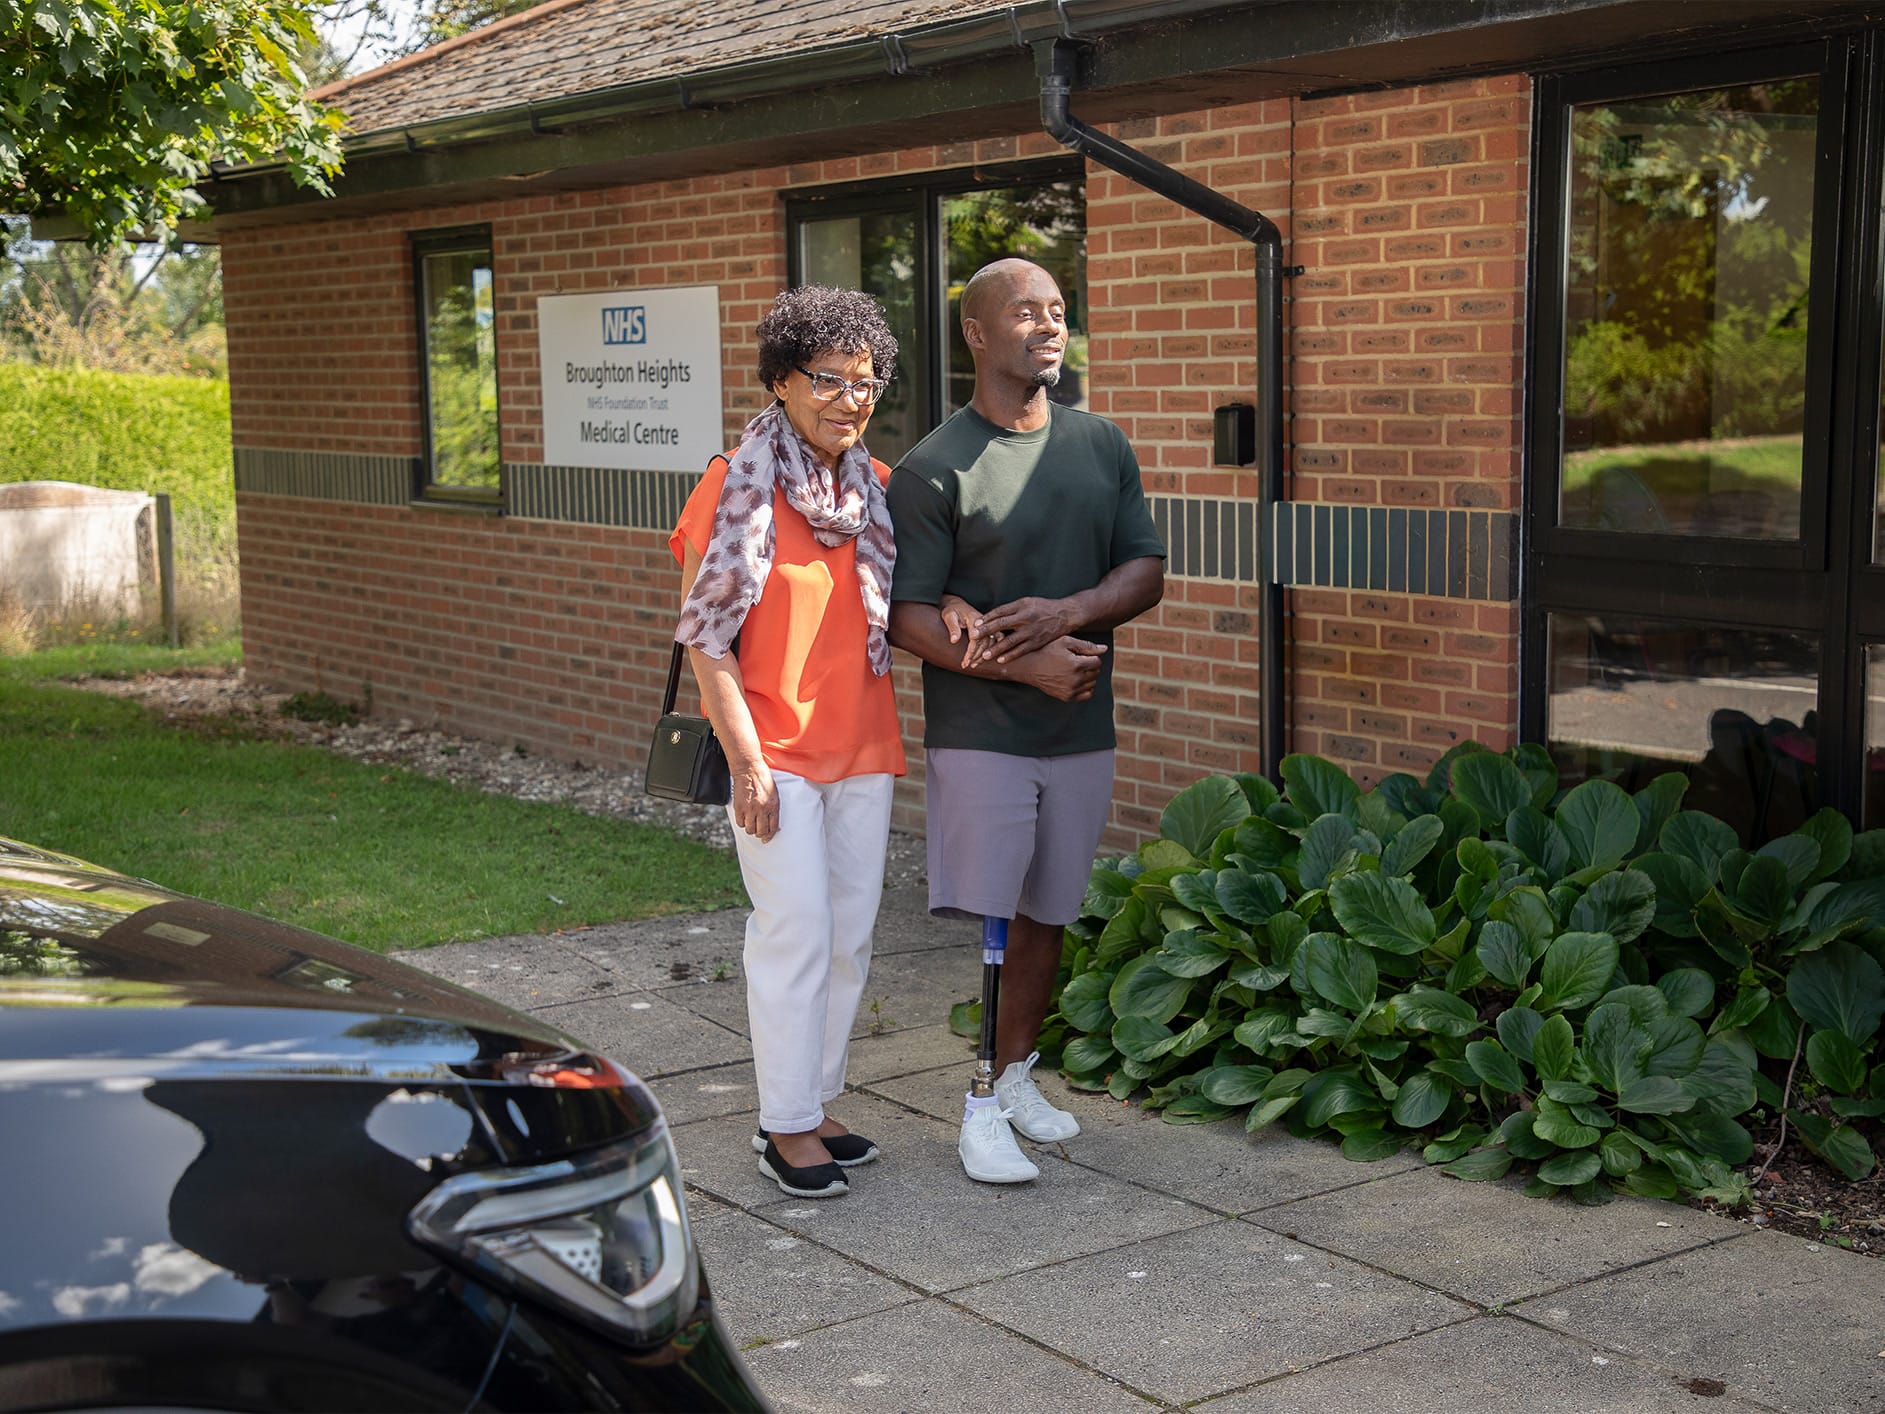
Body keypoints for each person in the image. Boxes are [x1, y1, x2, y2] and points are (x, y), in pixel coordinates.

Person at [887, 257, 1165, 1184]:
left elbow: (1144, 572)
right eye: (1025, 313)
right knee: (997, 916)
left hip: (1082, 730)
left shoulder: (1100, 445)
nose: (1050, 326)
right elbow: (907, 616)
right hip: (983, 735)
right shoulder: (933, 468)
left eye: (1057, 311)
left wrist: (1066, 616)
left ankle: (1012, 1080)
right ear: (976, 333)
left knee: (1051, 911)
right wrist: (1027, 664)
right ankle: (973, 1107)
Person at [670, 286, 904, 1199]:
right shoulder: (733, 484)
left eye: (867, 381)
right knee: (794, 934)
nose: (852, 399)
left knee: (847, 941)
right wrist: (745, 761)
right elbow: (706, 639)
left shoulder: (875, 493)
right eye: (830, 381)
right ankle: (781, 1125)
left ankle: (813, 1099)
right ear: (779, 381)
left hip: (865, 747)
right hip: (774, 757)